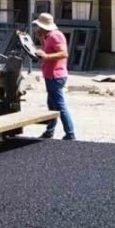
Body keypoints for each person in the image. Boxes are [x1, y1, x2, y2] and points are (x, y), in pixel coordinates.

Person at [32, 12, 76, 140]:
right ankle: (50, 131)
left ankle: (70, 133)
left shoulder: (55, 36)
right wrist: (40, 39)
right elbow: (48, 49)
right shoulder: (48, 36)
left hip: (55, 75)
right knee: (51, 104)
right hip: (50, 74)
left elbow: (63, 53)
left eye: (39, 27)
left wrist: (45, 56)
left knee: (59, 105)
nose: (38, 29)